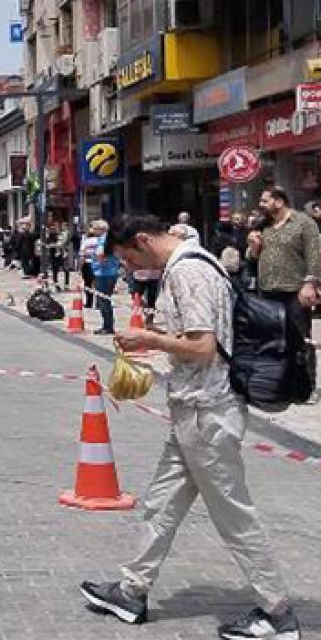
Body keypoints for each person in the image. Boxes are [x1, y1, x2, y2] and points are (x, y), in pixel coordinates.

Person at [80, 213, 299, 640]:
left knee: (233, 515)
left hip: (207, 412)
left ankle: (277, 612)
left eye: (127, 259)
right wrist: (155, 338)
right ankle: (131, 590)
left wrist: (151, 341)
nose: (128, 269)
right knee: (161, 504)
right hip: (191, 410)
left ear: (143, 240)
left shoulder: (189, 271)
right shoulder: (190, 265)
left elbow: (202, 348)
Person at [249, 187, 321, 344]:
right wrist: (254, 248)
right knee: (271, 341)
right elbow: (252, 258)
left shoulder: (304, 223)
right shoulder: (263, 225)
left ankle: (302, 368)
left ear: (279, 202)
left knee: (298, 341)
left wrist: (310, 285)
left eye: (265, 201)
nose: (261, 204)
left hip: (294, 292)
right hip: (267, 292)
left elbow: (314, 255)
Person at [88, 219, 120, 335]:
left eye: (95, 228)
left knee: (103, 301)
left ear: (101, 229)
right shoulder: (111, 239)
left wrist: (97, 259)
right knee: (106, 300)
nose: (93, 231)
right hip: (111, 272)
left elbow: (100, 254)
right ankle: (108, 324)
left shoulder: (104, 240)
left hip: (103, 273)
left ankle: (108, 326)